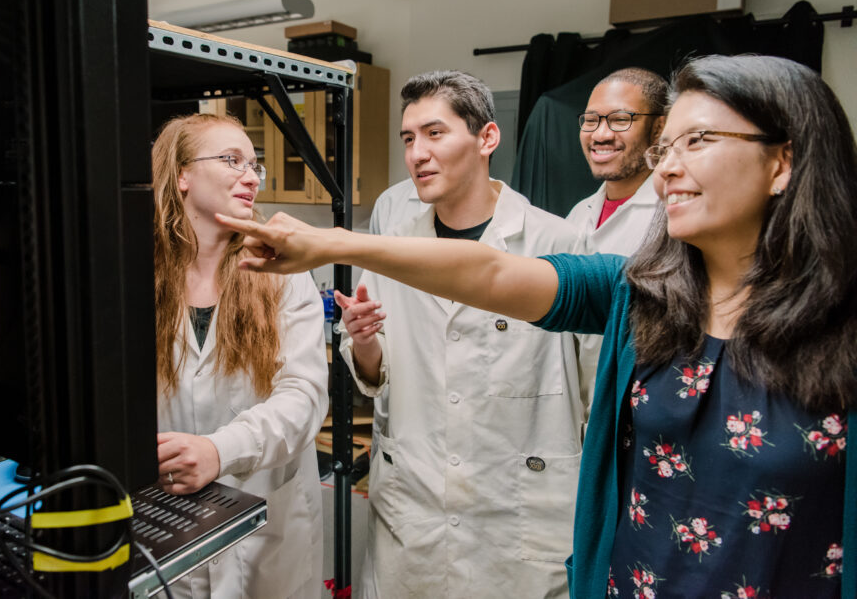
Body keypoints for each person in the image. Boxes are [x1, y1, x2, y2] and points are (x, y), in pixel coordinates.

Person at [217, 55, 857, 599]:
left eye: (699, 141)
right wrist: (337, 248)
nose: (665, 169)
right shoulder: (638, 296)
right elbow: (493, 274)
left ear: (783, 162)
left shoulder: (839, 328)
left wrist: (335, 243)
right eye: (665, 148)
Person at [336, 70, 592, 598]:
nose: (417, 154)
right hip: (414, 510)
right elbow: (375, 375)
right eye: (408, 139)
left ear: (487, 139)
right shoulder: (394, 249)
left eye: (435, 133)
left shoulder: (557, 241)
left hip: (519, 510)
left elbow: (593, 381)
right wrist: (364, 344)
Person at [152, 113, 328, 599]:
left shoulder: (282, 270)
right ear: (182, 174)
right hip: (170, 525)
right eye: (232, 161)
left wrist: (217, 451)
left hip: (267, 522)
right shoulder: (137, 273)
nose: (251, 176)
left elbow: (305, 397)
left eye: (255, 166)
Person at [567, 68, 667, 254]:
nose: (600, 135)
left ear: (658, 129)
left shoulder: (673, 213)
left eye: (621, 119)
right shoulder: (578, 213)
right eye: (590, 120)